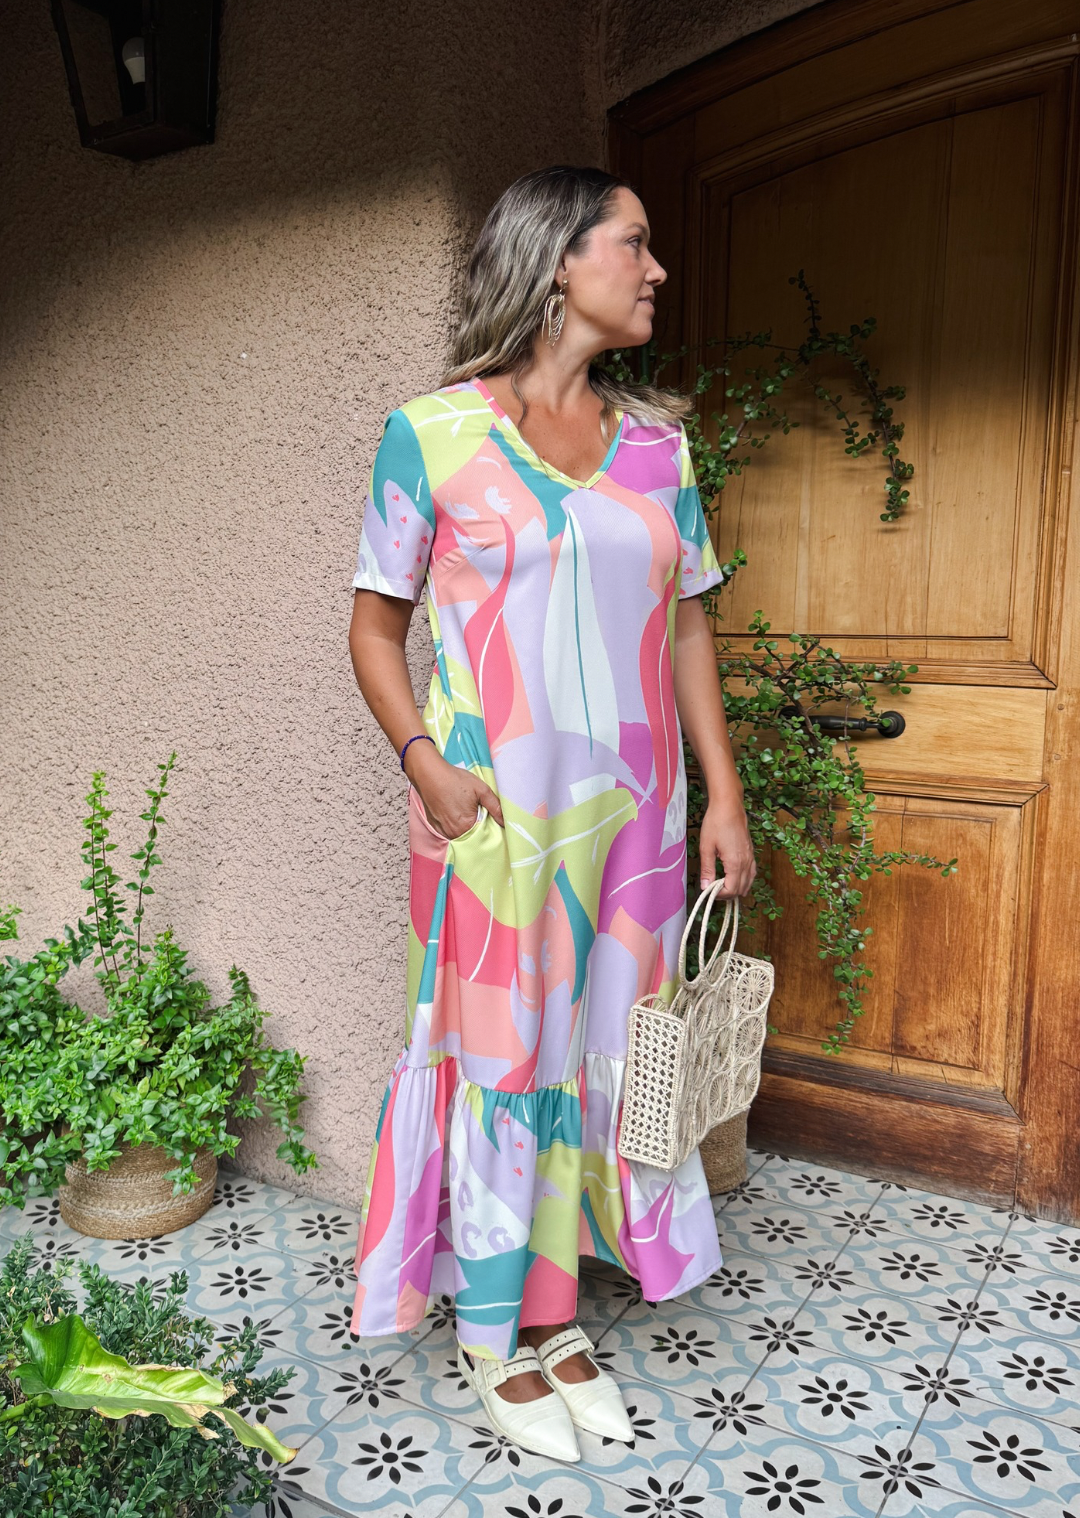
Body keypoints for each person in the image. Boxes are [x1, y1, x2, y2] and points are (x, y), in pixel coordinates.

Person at [346, 165, 757, 1463]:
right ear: (557, 259)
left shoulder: (659, 451)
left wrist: (724, 791)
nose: (656, 268)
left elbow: (687, 624)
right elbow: (374, 625)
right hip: (494, 819)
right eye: (634, 243)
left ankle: (555, 1311)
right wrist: (420, 758)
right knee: (504, 1056)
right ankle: (490, 1332)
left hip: (637, 825)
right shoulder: (431, 435)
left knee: (609, 1049)